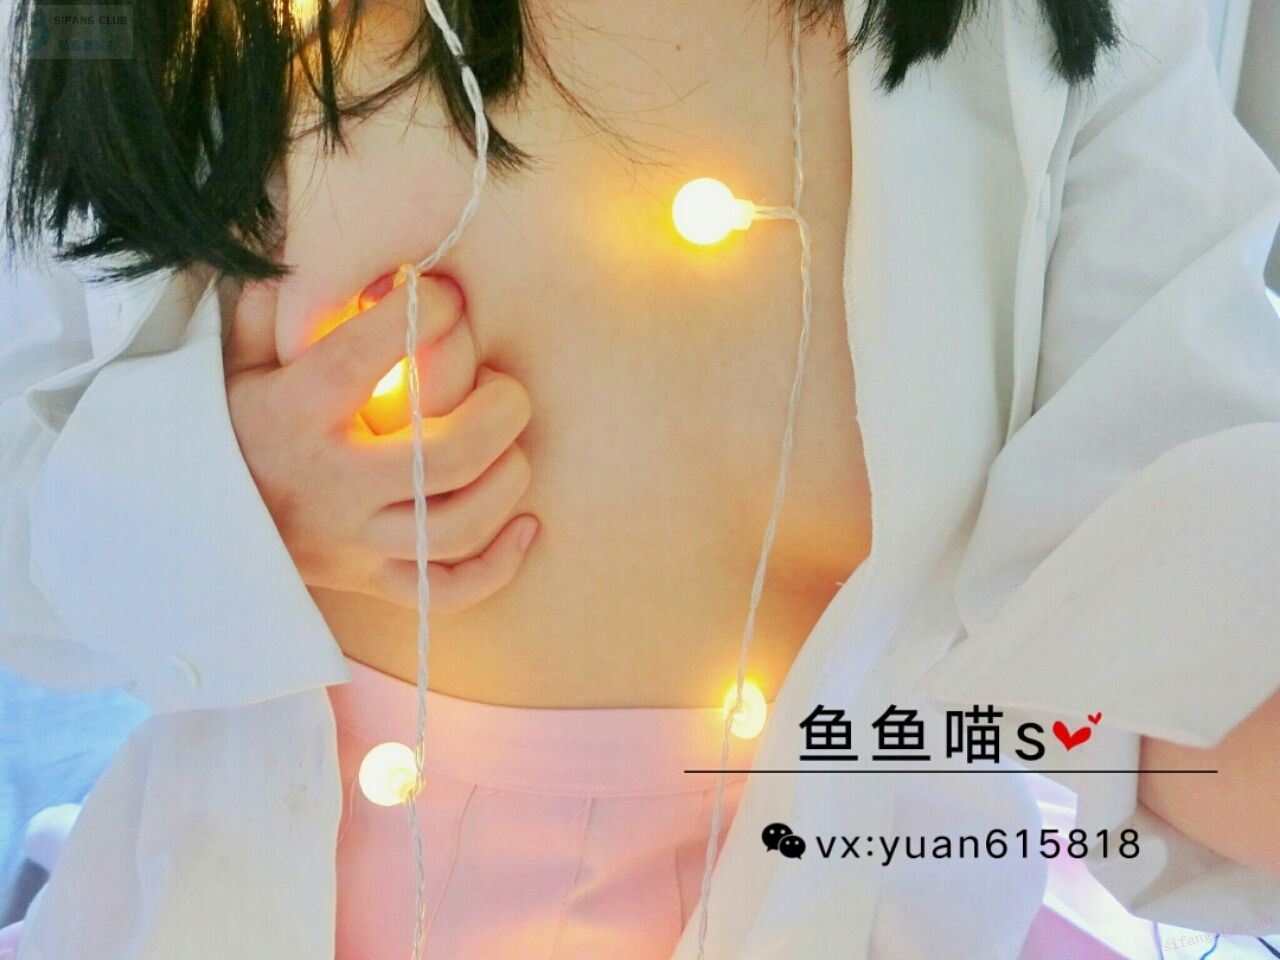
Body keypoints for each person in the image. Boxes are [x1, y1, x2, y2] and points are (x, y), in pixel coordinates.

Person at [1, 0, 1278, 957]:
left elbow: (1177, 591)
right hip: (237, 901)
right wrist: (226, 501)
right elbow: (26, 545)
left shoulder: (1061, 34)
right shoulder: (179, 31)